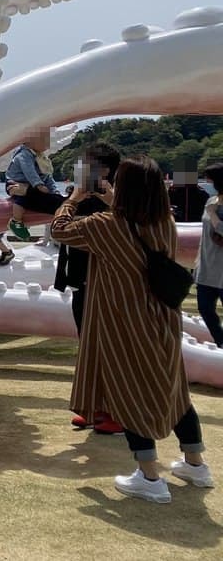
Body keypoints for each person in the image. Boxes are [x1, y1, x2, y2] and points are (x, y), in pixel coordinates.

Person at [51, 155, 211, 503]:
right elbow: (133, 227)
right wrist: (114, 204)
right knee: (174, 389)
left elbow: (58, 231)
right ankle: (196, 464)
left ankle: (150, 477)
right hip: (163, 317)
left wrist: (75, 199)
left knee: (130, 390)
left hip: (124, 321)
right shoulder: (164, 220)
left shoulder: (105, 225)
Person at [52, 142, 121, 432]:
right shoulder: (78, 194)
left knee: (111, 348)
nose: (81, 169)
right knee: (88, 347)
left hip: (109, 281)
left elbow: (142, 225)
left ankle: (117, 412)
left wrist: (112, 199)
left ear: (105, 169)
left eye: (87, 164)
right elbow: (57, 223)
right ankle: (94, 407)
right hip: (81, 279)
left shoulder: (122, 196)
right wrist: (75, 197)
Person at [4, 129, 63, 240]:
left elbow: (48, 176)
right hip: (16, 182)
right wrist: (38, 185)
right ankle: (16, 220)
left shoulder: (41, 157)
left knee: (39, 196)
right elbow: (29, 171)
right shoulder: (24, 154)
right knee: (22, 198)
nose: (47, 143)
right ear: (29, 140)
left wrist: (54, 190)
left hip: (32, 185)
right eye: (44, 139)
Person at [194, 163, 223, 348]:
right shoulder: (210, 201)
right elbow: (204, 234)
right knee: (205, 309)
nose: (207, 182)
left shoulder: (212, 207)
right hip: (205, 267)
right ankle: (221, 343)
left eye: (209, 179)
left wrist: (214, 216)